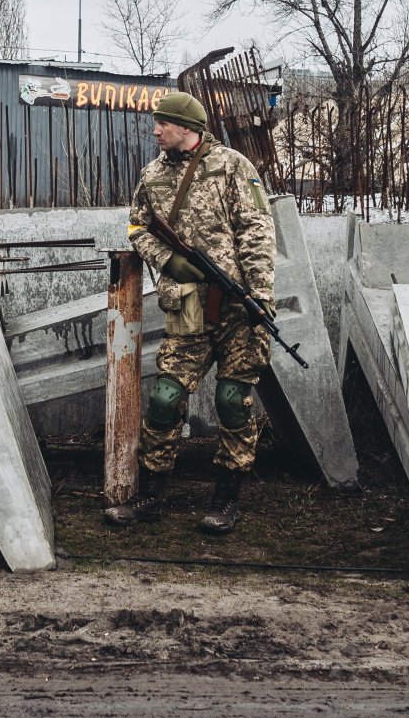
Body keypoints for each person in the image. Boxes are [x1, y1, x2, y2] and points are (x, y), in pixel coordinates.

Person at [103, 90, 275, 535]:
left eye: (163, 123)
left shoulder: (233, 166)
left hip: (238, 308)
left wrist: (259, 298)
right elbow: (137, 227)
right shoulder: (153, 175)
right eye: (156, 123)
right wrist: (167, 260)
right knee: (165, 398)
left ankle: (225, 500)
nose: (155, 130)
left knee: (231, 401)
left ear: (187, 128)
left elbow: (257, 232)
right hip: (187, 304)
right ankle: (151, 498)